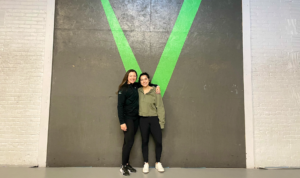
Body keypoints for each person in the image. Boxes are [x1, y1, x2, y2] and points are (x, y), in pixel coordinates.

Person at [117, 69, 160, 176]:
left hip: (136, 119)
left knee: (130, 141)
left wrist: (157, 85)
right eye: (130, 76)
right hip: (127, 119)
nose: (132, 78)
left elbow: (147, 84)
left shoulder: (136, 86)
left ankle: (127, 164)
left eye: (134, 76)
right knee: (128, 142)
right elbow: (119, 107)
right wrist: (122, 122)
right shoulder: (123, 89)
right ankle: (123, 166)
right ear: (127, 76)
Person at [138, 72, 165, 174]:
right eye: (141, 79)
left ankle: (158, 163)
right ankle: (146, 163)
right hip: (143, 120)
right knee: (144, 142)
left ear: (149, 80)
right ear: (140, 82)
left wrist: (161, 122)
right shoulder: (138, 90)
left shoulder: (155, 91)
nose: (144, 81)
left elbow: (160, 106)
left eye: (145, 79)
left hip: (154, 119)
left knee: (158, 141)